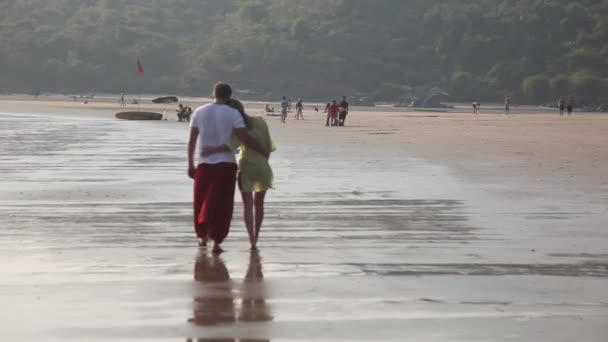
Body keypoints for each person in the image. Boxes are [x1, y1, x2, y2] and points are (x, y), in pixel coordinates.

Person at [187, 82, 269, 254]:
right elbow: (243, 136)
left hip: (204, 164)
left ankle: (202, 236)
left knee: (200, 200)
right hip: (226, 165)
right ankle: (216, 241)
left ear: (213, 93)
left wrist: (190, 163)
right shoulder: (232, 114)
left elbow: (192, 140)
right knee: (223, 204)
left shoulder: (199, 112)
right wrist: (262, 149)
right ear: (229, 96)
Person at [202, 99, 276, 250]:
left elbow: (230, 146)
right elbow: (268, 146)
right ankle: (256, 236)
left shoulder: (238, 128)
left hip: (246, 167)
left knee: (247, 206)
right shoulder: (260, 121)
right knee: (259, 205)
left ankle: (251, 241)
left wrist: (211, 150)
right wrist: (264, 162)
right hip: (263, 167)